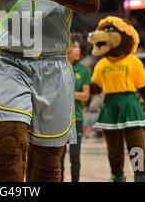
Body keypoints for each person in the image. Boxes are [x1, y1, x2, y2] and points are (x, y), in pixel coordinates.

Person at [60, 40, 91, 182]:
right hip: (59, 118)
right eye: (75, 47)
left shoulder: (84, 71)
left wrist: (70, 94)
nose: (78, 50)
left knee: (75, 156)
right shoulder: (58, 67)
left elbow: (86, 95)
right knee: (58, 155)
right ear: (67, 48)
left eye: (79, 47)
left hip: (76, 118)